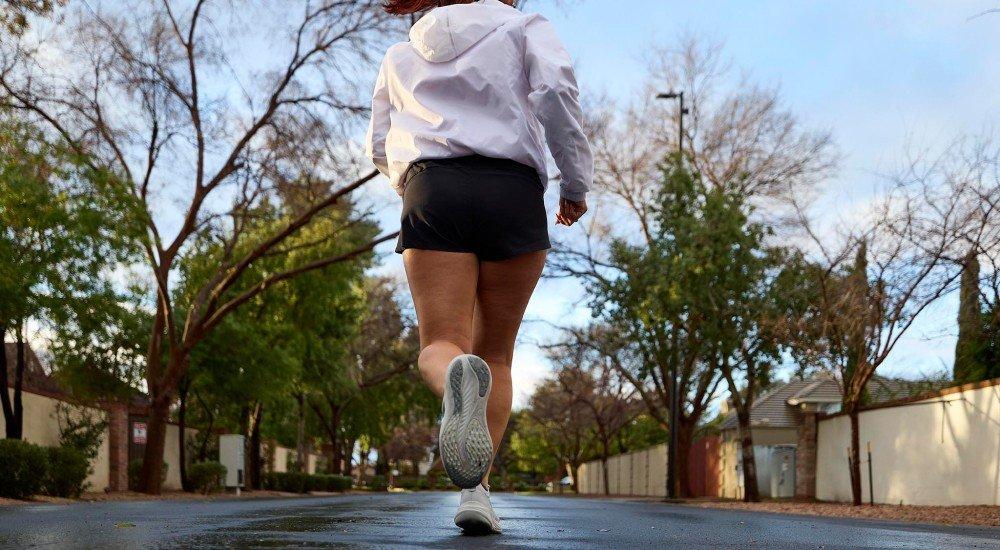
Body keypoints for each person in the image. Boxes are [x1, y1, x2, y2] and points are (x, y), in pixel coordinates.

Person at [366, 0, 592, 535]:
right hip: (510, 188)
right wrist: (575, 183)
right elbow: (557, 92)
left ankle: (452, 382)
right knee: (497, 355)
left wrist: (414, 186)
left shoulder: (401, 53)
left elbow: (379, 142)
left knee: (441, 343)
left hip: (432, 185)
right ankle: (477, 494)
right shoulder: (523, 27)